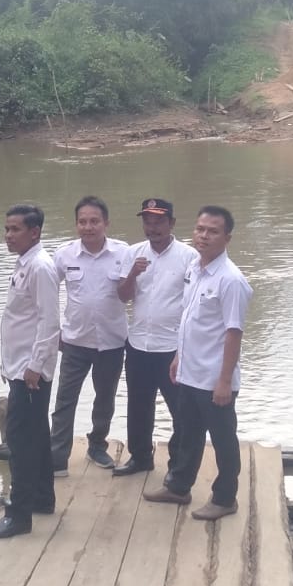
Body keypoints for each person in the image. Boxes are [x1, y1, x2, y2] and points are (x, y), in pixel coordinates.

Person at [143, 206, 253, 522]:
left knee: (223, 440)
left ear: (227, 237)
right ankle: (179, 486)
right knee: (187, 433)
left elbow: (233, 334)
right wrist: (179, 356)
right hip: (190, 372)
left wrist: (224, 381)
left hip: (214, 377)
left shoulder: (230, 280)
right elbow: (189, 320)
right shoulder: (195, 268)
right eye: (201, 229)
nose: (204, 236)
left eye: (213, 231)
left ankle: (224, 498)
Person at [0, 204, 60, 539]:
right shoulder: (26, 263)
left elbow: (50, 322)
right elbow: (21, 319)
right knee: (37, 436)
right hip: (20, 367)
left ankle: (19, 516)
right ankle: (42, 497)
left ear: (35, 232)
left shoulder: (41, 267)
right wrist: (10, 364)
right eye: (6, 229)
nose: (8, 236)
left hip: (29, 372)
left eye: (15, 230)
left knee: (21, 443)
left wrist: (34, 366)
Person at [113, 198, 199, 477]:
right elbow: (123, 297)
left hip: (172, 347)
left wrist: (184, 350)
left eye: (159, 221)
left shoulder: (189, 256)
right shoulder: (133, 253)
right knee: (138, 405)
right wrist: (132, 274)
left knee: (181, 411)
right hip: (138, 343)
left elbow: (194, 305)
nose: (153, 227)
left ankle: (177, 465)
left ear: (172, 223)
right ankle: (140, 457)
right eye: (148, 222)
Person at [50, 196, 129, 475]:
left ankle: (97, 445)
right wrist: (52, 329)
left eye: (94, 221)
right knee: (64, 401)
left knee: (105, 398)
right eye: (82, 221)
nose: (88, 227)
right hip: (74, 342)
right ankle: (57, 457)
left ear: (106, 223)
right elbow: (47, 291)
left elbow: (133, 294)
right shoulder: (64, 254)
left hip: (112, 342)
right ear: (76, 224)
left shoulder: (123, 253)